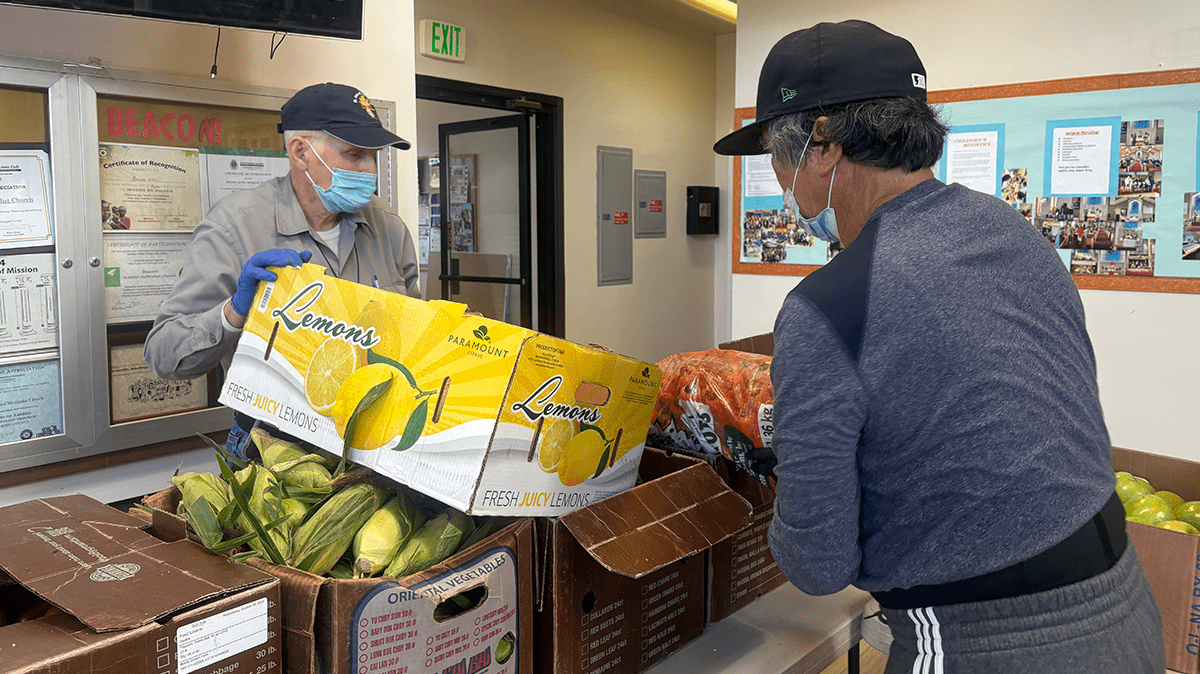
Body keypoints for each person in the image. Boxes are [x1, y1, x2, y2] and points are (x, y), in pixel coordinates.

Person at [713, 20, 1163, 674]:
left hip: (986, 643)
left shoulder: (825, 307)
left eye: (773, 157)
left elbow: (817, 565)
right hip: (1125, 605)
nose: (780, 183)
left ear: (823, 143)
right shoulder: (1014, 233)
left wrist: (787, 471)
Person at [145, 82, 421, 459]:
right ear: (300, 152)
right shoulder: (234, 227)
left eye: (374, 157)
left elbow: (413, 336)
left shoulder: (388, 227)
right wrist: (233, 312)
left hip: (375, 446)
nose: (370, 171)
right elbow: (162, 354)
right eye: (355, 154)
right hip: (272, 452)